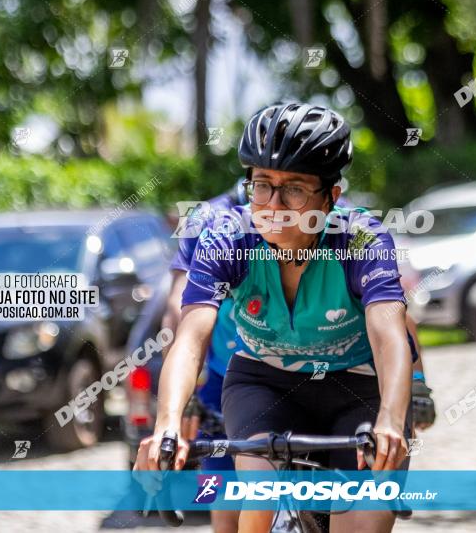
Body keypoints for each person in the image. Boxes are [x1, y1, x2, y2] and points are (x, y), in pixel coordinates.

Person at [135, 102, 415, 533]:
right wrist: (168, 423)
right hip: (264, 380)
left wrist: (392, 421)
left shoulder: (361, 238)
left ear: (332, 196)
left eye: (295, 190)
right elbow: (189, 338)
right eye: (262, 185)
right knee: (257, 508)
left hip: (358, 384)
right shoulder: (228, 237)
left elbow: (390, 335)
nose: (273, 205)